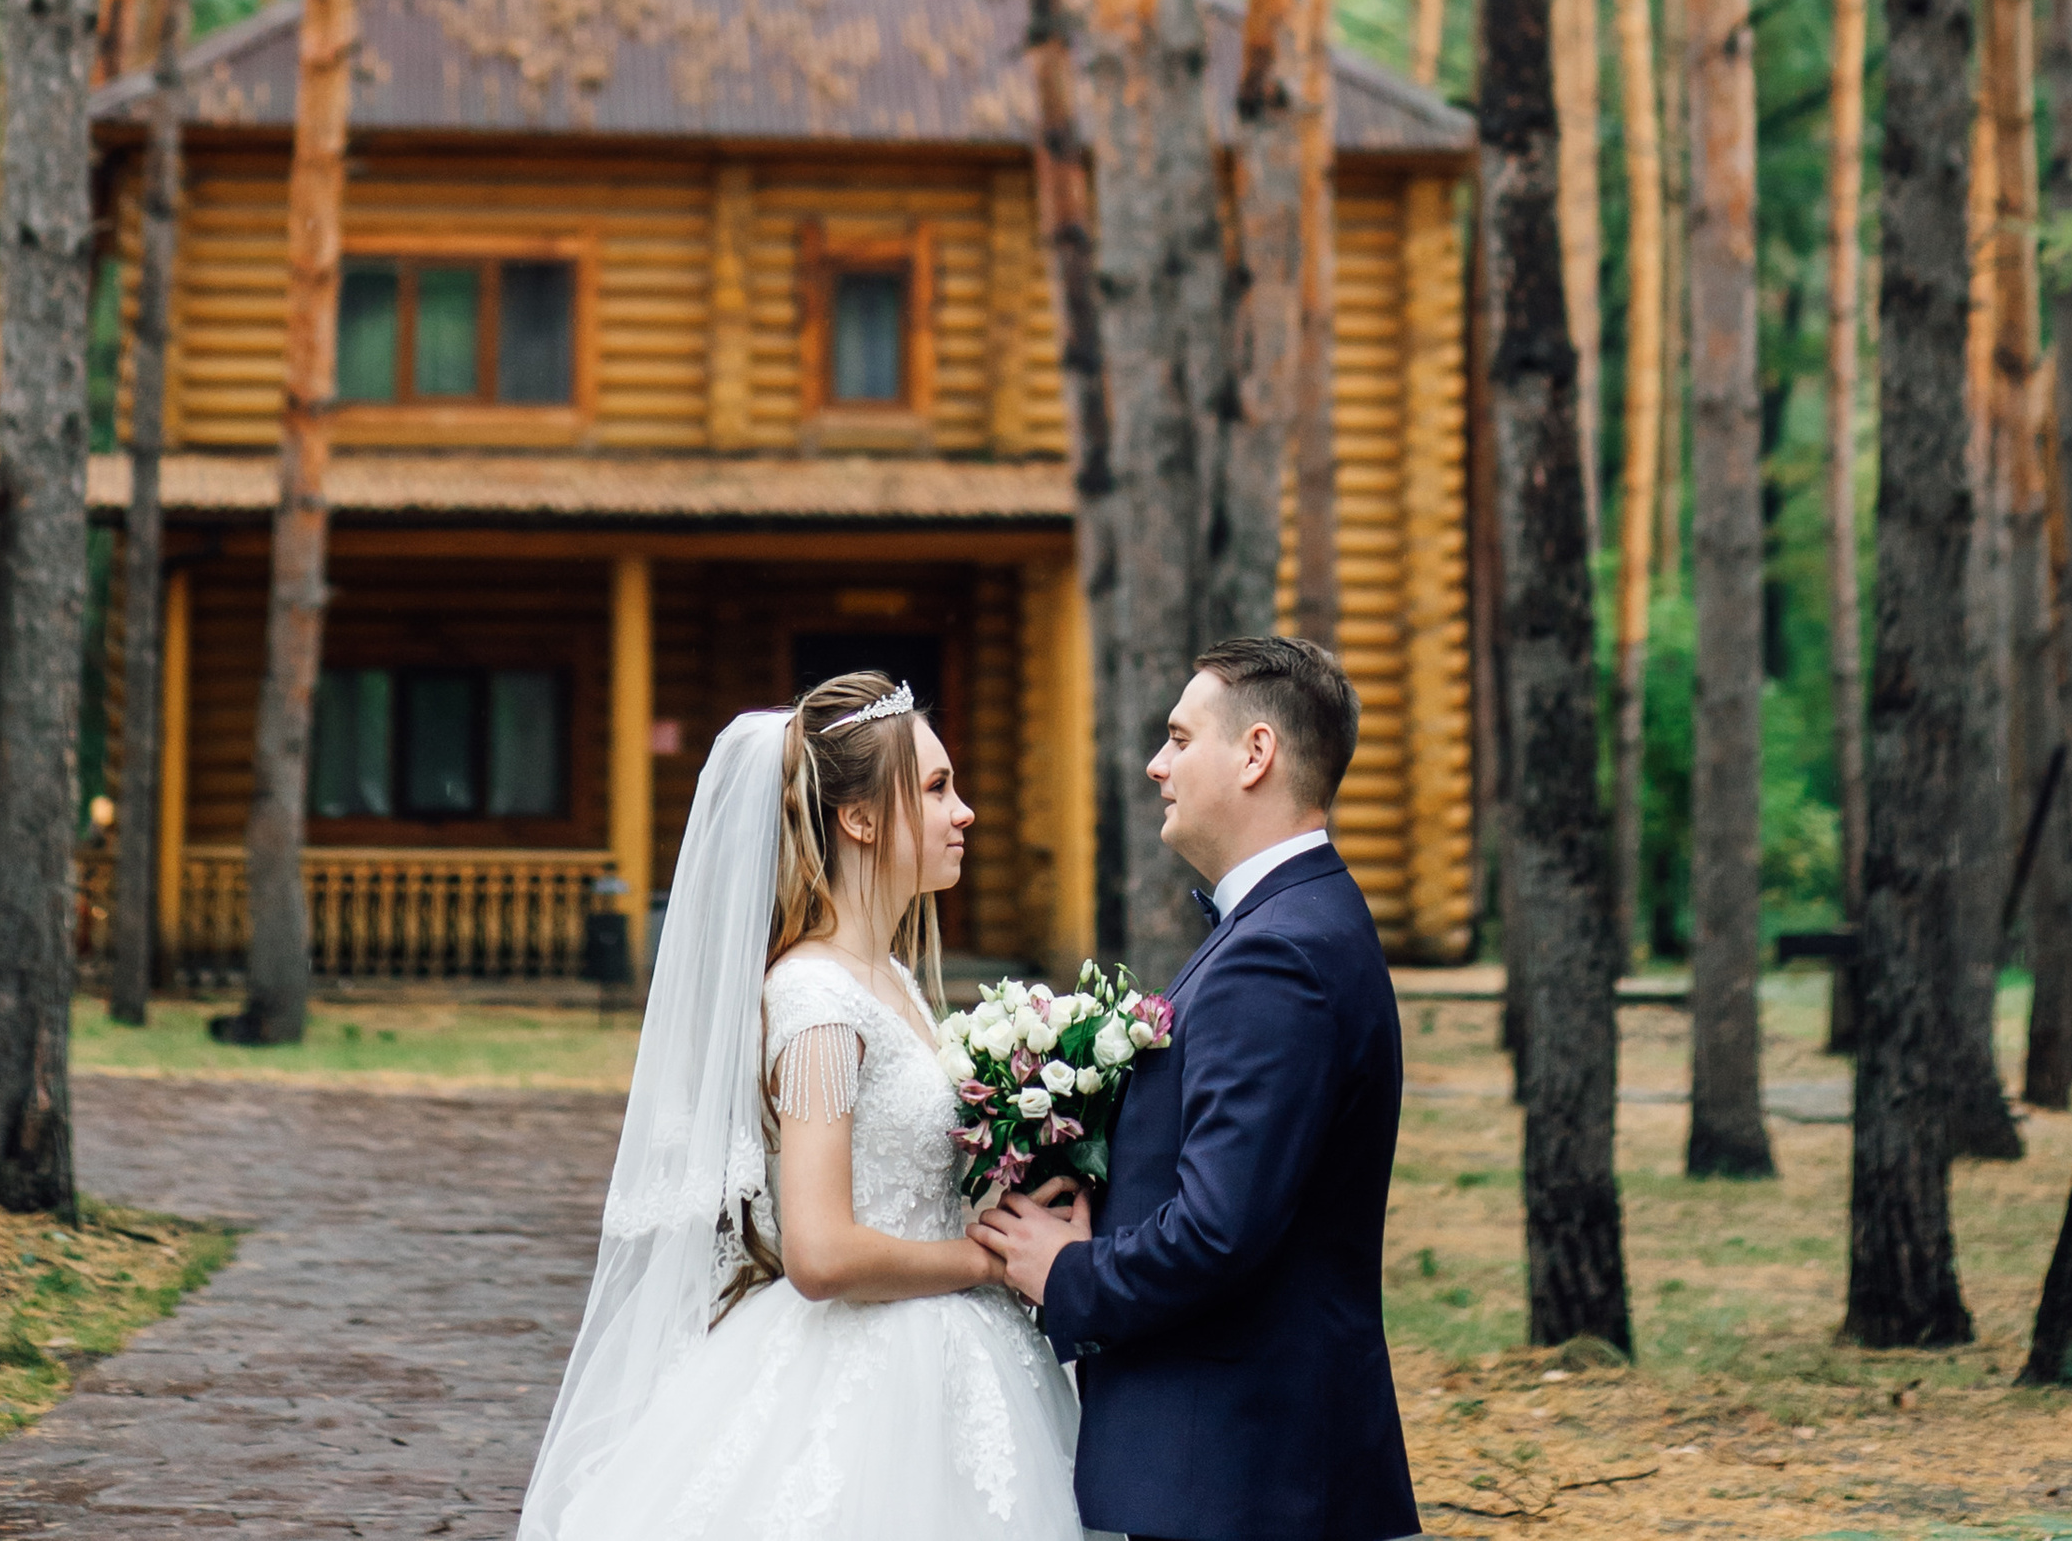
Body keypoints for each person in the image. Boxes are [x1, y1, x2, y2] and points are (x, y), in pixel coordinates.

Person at [517, 672, 1093, 1541]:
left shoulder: (890, 979)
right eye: (936, 788)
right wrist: (986, 1262)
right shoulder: (820, 1001)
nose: (963, 811)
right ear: (858, 819)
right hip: (875, 1374)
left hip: (955, 1351)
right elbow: (820, 1250)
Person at [979, 636, 1419, 1541]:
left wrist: (1069, 1271)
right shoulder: (1288, 923)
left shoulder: (1277, 953)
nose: (1155, 764)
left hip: (1243, 1476)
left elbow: (1221, 1229)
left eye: (1179, 739)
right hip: (1248, 1466)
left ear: (1255, 753)